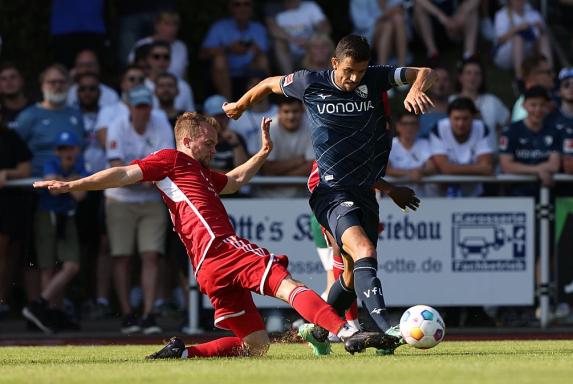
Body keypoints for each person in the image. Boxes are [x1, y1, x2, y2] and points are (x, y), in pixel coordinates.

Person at [35, 112, 399, 358]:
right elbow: (122, 174)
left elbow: (236, 181)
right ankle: (348, 333)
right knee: (288, 285)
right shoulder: (170, 160)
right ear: (188, 140)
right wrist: (73, 184)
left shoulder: (200, 173)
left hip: (206, 267)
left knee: (255, 346)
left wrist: (262, 153)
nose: (214, 148)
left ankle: (184, 352)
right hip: (220, 245)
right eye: (209, 143)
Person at [224, 34, 429, 355]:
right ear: (334, 63)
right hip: (330, 190)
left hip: (365, 190)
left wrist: (416, 86)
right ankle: (384, 329)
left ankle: (317, 330)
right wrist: (239, 105)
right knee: (363, 250)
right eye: (348, 70)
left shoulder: (375, 77)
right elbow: (268, 83)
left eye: (359, 72)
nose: (353, 78)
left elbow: (423, 71)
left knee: (350, 274)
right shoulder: (309, 82)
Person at [104, 85, 175, 334]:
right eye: (139, 106)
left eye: (146, 106)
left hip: (151, 198)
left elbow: (165, 162)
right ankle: (127, 314)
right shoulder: (117, 126)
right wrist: (145, 175)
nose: (143, 111)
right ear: (130, 107)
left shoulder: (161, 123)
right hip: (119, 199)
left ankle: (148, 313)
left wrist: (139, 175)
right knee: (121, 256)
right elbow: (115, 165)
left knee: (151, 255)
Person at [22, 130, 87, 333]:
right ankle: (48, 312)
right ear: (57, 151)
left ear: (76, 149)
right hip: (48, 215)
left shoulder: (79, 165)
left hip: (65, 217)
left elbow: (80, 196)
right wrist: (71, 181)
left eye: (70, 148)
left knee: (69, 266)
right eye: (63, 148)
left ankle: (40, 305)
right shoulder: (53, 163)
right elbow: (53, 186)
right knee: (48, 267)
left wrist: (64, 181)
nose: (67, 152)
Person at [199, 0, 270, 100]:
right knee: (219, 60)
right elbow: (203, 54)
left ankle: (260, 102)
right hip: (226, 72)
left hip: (249, 70)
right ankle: (229, 104)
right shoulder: (219, 27)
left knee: (263, 60)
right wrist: (229, 49)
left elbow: (264, 53)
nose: (242, 8)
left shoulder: (258, 28)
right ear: (231, 8)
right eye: (237, 4)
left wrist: (253, 47)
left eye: (247, 4)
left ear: (251, 8)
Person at [0, 103, 32, 319]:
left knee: (4, 251)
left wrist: (6, 174)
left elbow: (25, 169)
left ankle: (1, 300)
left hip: (6, 204)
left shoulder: (10, 137)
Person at [500, 86, 561, 196]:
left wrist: (528, 169)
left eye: (542, 105)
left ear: (547, 106)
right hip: (517, 195)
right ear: (524, 105)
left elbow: (554, 164)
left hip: (547, 195)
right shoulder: (511, 131)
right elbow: (506, 165)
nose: (538, 109)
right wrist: (537, 170)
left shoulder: (554, 131)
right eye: (533, 105)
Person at [429, 97, 495, 197]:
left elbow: (486, 165)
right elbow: (445, 168)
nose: (460, 124)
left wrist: (453, 168)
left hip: (474, 194)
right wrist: (479, 169)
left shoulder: (482, 128)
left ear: (473, 117)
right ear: (449, 117)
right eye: (456, 118)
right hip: (441, 194)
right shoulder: (438, 129)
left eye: (465, 118)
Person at [256, 97, 314, 198]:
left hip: (303, 194)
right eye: (286, 111)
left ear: (302, 111)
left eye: (295, 111)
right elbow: (267, 169)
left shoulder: (312, 127)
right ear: (279, 112)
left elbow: (311, 167)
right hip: (268, 196)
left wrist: (276, 180)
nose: (291, 116)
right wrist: (298, 161)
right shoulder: (269, 128)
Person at [450, 56, 510, 147]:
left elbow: (508, 126)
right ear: (460, 77)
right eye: (468, 73)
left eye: (477, 73)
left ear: (482, 78)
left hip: (491, 157)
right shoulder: (451, 101)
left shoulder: (492, 101)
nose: (472, 77)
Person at [493, 0, 553, 81]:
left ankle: (549, 74)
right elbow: (500, 40)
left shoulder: (533, 14)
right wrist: (517, 29)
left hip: (529, 51)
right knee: (518, 38)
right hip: (506, 52)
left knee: (543, 38)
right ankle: (520, 79)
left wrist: (539, 29)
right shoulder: (502, 14)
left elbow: (542, 33)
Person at [271, 0, 331, 74]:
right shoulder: (274, 9)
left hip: (310, 46)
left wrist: (312, 40)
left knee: (321, 42)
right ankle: (288, 80)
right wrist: (294, 40)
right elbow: (272, 29)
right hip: (290, 50)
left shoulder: (310, 5)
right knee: (278, 43)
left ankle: (326, 75)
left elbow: (325, 27)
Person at [387, 111, 437, 197]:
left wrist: (420, 172)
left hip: (421, 199)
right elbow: (387, 169)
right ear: (398, 126)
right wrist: (410, 173)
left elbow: (432, 167)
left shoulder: (425, 143)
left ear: (418, 126)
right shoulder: (389, 145)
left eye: (413, 124)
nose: (409, 127)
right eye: (405, 124)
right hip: (395, 200)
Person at [128, 10, 188, 79]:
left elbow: (184, 75)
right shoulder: (142, 44)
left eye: (174, 24)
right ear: (156, 26)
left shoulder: (181, 47)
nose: (172, 29)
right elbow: (131, 71)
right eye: (167, 24)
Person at [228, 73, 278, 155]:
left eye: (259, 84)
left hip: (276, 162)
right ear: (247, 89)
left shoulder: (281, 113)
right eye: (253, 85)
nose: (256, 89)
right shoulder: (237, 117)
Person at [414, 0, 480, 61]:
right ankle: (433, 54)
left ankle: (469, 55)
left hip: (455, 24)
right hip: (432, 25)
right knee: (418, 7)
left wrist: (462, 12)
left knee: (471, 10)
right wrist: (440, 16)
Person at [143, 41, 195, 112]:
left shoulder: (184, 87)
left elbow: (191, 117)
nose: (161, 60)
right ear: (148, 59)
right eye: (156, 57)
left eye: (166, 57)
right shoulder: (141, 86)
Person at [203, 94, 249, 174]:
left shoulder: (237, 138)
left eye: (224, 116)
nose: (221, 120)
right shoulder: (199, 139)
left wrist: (235, 144)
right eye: (217, 116)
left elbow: (242, 171)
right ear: (206, 116)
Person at [511, 54, 555, 122]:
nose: (553, 75)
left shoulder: (550, 98)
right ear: (533, 76)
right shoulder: (523, 109)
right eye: (548, 72)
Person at [547, 68, 573, 174]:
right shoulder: (549, 119)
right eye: (566, 85)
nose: (572, 88)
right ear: (559, 91)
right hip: (558, 181)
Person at [418, 66, 451, 137]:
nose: (441, 84)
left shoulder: (458, 111)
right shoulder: (419, 111)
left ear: (450, 84)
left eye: (445, 80)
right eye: (436, 80)